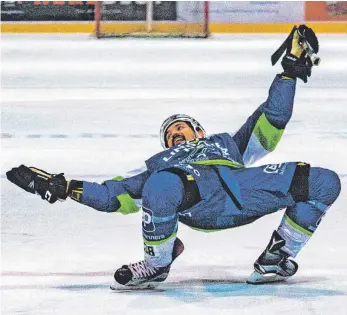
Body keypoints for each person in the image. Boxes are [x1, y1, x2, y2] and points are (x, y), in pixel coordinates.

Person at [6, 25, 341, 289]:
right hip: (195, 202)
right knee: (162, 184)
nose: (176, 134)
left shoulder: (229, 143)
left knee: (325, 181)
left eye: (181, 128)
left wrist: (289, 73)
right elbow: (112, 196)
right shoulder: (160, 163)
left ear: (200, 130)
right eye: (170, 134)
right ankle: (157, 263)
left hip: (244, 190)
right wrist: (63, 187)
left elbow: (274, 116)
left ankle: (277, 257)